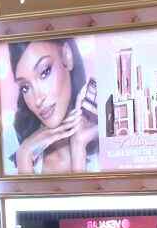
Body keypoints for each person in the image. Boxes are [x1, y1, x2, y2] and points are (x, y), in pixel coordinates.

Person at [7, 38, 98, 175]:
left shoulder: (102, 143)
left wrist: (78, 147)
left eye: (44, 72)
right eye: (25, 87)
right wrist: (24, 157)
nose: (38, 99)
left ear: (67, 56)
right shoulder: (10, 143)